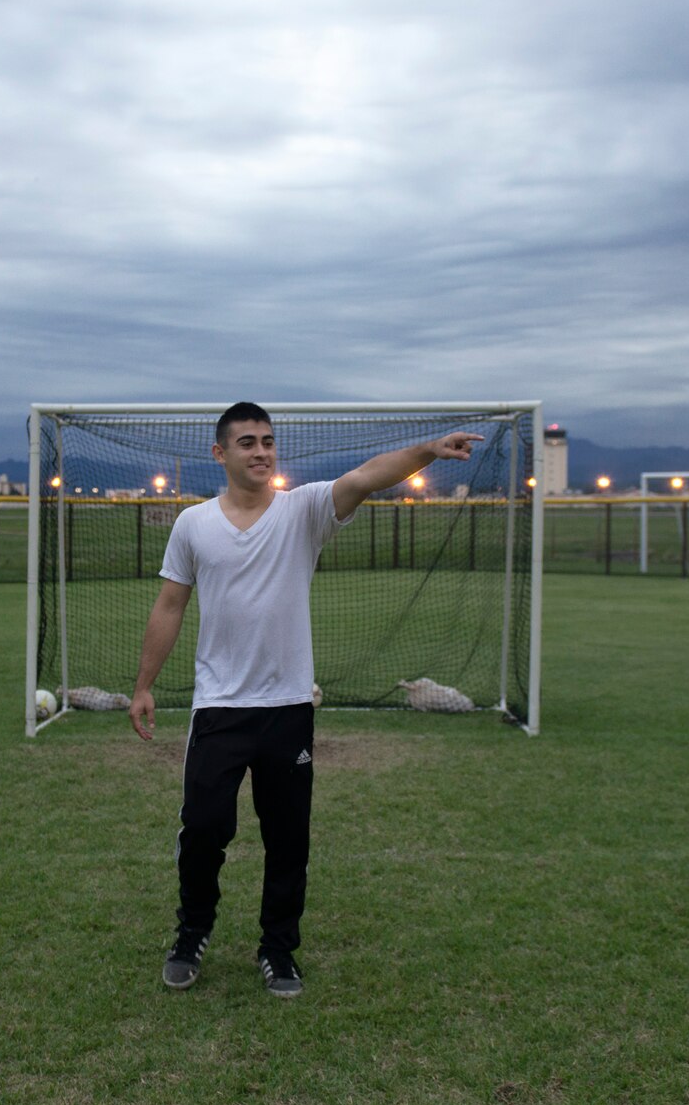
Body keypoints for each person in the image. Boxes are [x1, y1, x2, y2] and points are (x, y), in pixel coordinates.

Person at [129, 402, 482, 997]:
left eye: (267, 440)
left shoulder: (305, 510)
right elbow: (169, 606)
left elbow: (367, 475)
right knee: (205, 829)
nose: (261, 451)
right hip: (219, 707)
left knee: (288, 838)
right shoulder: (193, 524)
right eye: (246, 442)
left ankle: (278, 949)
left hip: (289, 708)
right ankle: (191, 934)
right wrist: (143, 685)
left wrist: (427, 451)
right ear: (221, 453)